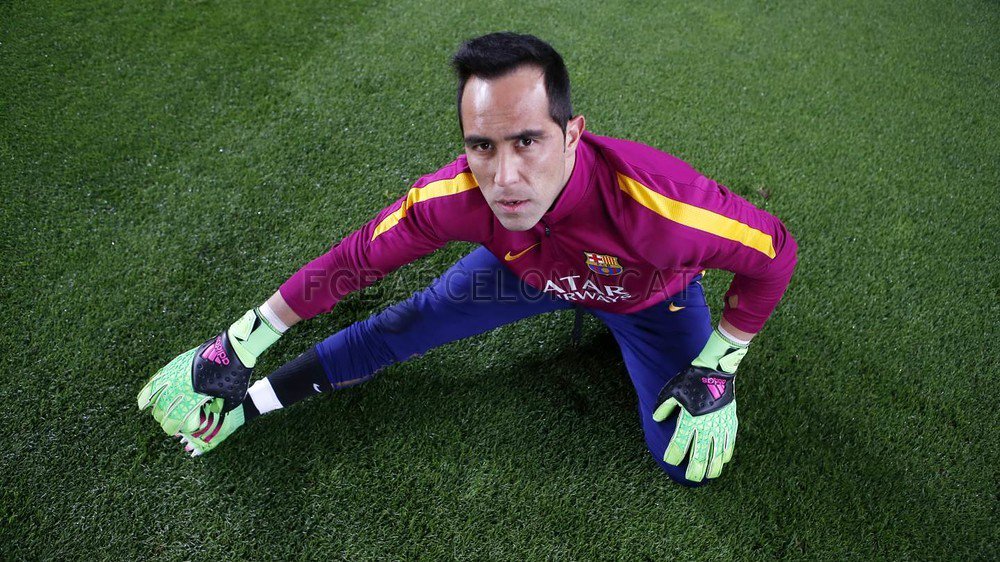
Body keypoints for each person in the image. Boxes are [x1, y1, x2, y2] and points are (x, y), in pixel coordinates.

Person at [138, 32, 797, 486]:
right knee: (405, 324)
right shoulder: (457, 195)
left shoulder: (662, 210)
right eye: (483, 145)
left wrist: (720, 363)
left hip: (650, 299)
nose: (504, 178)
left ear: (573, 133)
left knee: (682, 464)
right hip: (527, 274)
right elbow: (355, 260)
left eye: (528, 141)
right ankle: (248, 407)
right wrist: (239, 345)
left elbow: (776, 254)